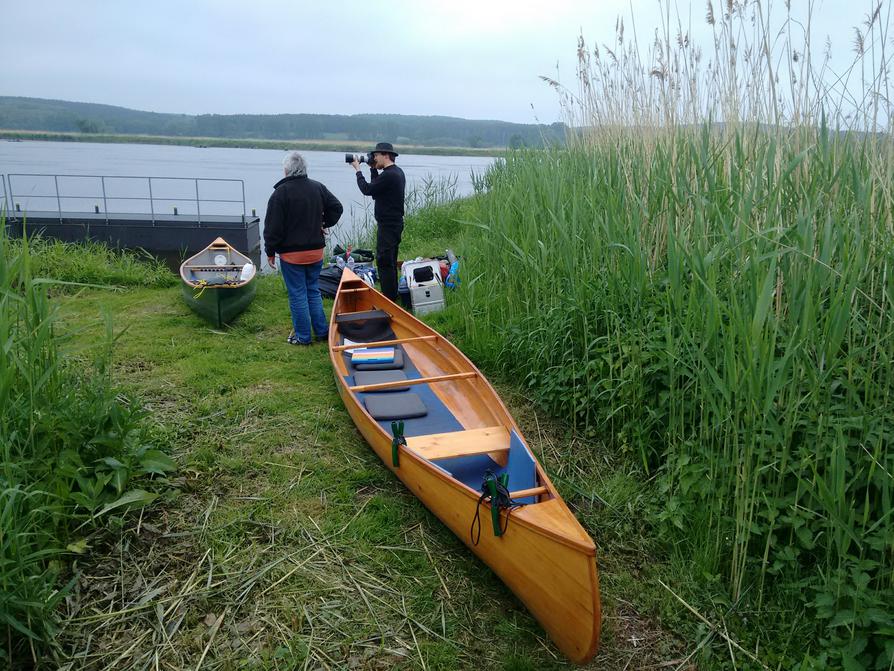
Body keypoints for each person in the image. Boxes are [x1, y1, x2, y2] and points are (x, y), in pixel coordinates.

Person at [264, 151, 343, 345]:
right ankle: (322, 332)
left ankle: (303, 337)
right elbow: (337, 207)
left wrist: (270, 251)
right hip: (315, 251)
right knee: (313, 290)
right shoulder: (318, 188)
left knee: (297, 293)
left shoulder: (280, 194)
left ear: (286, 171)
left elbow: (272, 227)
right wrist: (324, 223)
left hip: (292, 255)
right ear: (304, 169)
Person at [350, 141, 406, 300]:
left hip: (389, 225)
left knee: (384, 261)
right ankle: (392, 294)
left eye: (375, 155)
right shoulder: (396, 172)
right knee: (389, 260)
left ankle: (389, 298)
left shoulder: (390, 175)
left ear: (386, 155)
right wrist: (373, 169)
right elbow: (376, 192)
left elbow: (367, 190)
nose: (373, 158)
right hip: (392, 223)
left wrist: (358, 170)